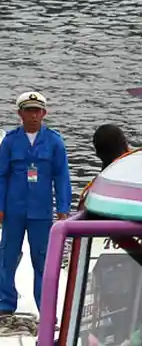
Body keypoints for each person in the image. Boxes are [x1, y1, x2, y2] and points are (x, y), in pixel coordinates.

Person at [0, 92, 71, 313]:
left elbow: (62, 176)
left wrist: (63, 208)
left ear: (44, 113)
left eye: (37, 111)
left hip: (41, 212)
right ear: (20, 113)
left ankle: (45, 308)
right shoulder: (10, 141)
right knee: (7, 257)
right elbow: (1, 176)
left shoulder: (54, 142)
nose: (33, 116)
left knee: (42, 260)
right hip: (13, 210)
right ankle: (5, 304)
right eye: (28, 111)